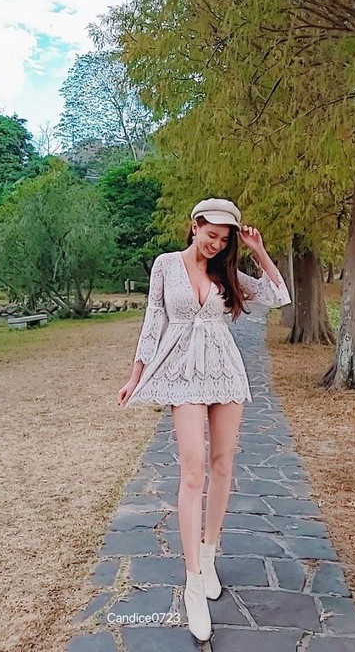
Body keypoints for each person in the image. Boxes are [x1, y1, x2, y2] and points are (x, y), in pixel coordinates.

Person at [118, 197, 292, 641]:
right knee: (193, 470)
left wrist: (257, 250)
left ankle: (210, 555)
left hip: (225, 370)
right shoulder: (165, 265)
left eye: (223, 239)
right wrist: (135, 375)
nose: (216, 244)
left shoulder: (227, 272)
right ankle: (193, 581)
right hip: (183, 373)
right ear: (195, 226)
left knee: (223, 464)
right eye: (211, 235)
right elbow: (153, 321)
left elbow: (278, 297)